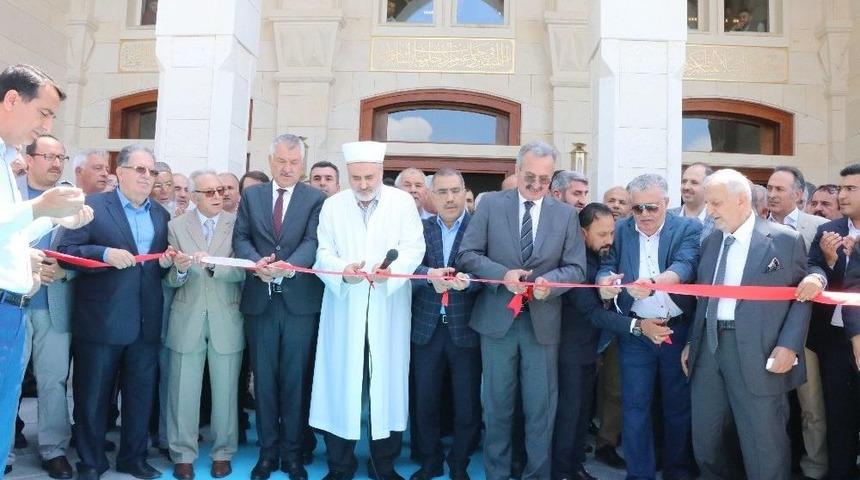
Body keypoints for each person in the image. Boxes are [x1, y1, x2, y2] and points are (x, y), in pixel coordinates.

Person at [457, 141, 586, 480]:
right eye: (530, 176)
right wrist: (503, 275)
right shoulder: (490, 206)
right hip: (497, 323)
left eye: (545, 179)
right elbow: (467, 255)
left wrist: (551, 282)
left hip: (542, 326)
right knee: (497, 409)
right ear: (516, 170)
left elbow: (575, 268)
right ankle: (496, 475)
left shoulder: (566, 215)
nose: (537, 185)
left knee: (541, 411)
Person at [682, 168, 811, 479]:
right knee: (707, 442)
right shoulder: (711, 241)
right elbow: (705, 298)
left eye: (715, 203)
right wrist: (691, 341)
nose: (709, 211)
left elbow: (801, 297)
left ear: (741, 201)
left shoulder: (785, 241)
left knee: (764, 445)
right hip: (708, 350)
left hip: (760, 353)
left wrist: (789, 346)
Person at [311, 140, 425, 480]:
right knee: (341, 383)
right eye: (356, 177)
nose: (362, 185)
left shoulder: (402, 203)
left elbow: (413, 248)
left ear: (381, 172)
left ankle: (383, 465)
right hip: (345, 307)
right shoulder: (333, 205)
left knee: (385, 386)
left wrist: (393, 271)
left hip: (387, 308)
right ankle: (340, 465)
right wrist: (343, 271)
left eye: (369, 178)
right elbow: (322, 254)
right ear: (347, 174)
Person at [57, 143, 171, 480]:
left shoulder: (160, 215)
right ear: (119, 172)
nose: (146, 177)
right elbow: (65, 251)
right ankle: (91, 462)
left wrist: (166, 264)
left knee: (139, 395)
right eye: (139, 169)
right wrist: (103, 253)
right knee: (92, 396)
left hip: (146, 321)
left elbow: (155, 269)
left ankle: (133, 459)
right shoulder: (92, 206)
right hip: (101, 321)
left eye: (151, 172)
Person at [0, 64, 92, 479]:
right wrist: (41, 208)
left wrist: (56, 219)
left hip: (16, 307)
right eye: (44, 112)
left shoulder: (6, 159)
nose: (47, 125)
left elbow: (9, 234)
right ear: (13, 100)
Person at [233, 134, 327, 480]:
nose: (287, 169)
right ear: (271, 162)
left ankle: (292, 455)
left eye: (294, 163)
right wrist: (257, 262)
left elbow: (313, 240)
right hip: (260, 302)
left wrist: (288, 266)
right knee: (265, 382)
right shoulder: (252, 196)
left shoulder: (315, 199)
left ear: (301, 165)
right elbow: (240, 238)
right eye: (281, 162)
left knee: (295, 381)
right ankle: (267, 454)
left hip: (299, 302)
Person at [596, 173, 701, 480]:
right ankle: (638, 474)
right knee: (635, 407)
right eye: (637, 208)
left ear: (667, 204)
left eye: (651, 208)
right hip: (637, 331)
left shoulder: (688, 228)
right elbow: (606, 265)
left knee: (677, 406)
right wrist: (605, 282)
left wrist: (654, 284)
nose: (643, 215)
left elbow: (686, 265)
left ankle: (677, 472)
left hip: (676, 329)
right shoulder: (620, 229)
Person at [164, 170, 246, 480]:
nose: (217, 196)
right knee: (183, 389)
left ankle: (223, 452)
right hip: (187, 317)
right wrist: (181, 270)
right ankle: (182, 453)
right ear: (195, 197)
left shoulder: (236, 225)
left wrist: (216, 265)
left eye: (222, 191)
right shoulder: (175, 226)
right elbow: (169, 279)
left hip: (227, 316)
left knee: (226, 391)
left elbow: (243, 271)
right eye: (209, 192)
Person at [409, 168, 481, 480]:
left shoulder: (480, 228)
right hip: (427, 328)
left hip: (466, 329)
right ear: (431, 196)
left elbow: (492, 272)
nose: (449, 198)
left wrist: (470, 283)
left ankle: (459, 463)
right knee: (425, 401)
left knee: (466, 404)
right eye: (441, 192)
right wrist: (428, 277)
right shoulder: (418, 229)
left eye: (454, 191)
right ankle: (430, 462)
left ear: (465, 191)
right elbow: (407, 269)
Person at [16, 135, 76, 479]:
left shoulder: (71, 201)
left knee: (54, 380)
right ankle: (4, 449)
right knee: (7, 380)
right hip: (12, 303)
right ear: (31, 158)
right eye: (49, 156)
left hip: (54, 304)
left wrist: (65, 270)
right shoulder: (9, 195)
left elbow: (85, 248)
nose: (56, 163)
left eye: (61, 157)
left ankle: (54, 449)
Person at [766, 166, 828, 480]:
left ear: (799, 194)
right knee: (771, 406)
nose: (772, 194)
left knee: (811, 405)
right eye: (770, 188)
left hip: (805, 329)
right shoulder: (756, 226)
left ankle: (814, 468)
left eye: (780, 189)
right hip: (764, 329)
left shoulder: (820, 226)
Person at [551, 202, 619, 480]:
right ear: (582, 232)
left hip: (588, 352)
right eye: (602, 234)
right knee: (569, 415)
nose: (609, 241)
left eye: (612, 233)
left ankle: (575, 466)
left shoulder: (600, 260)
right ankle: (563, 472)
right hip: (568, 353)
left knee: (580, 414)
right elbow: (591, 312)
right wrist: (637, 327)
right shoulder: (575, 264)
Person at [801, 165, 860, 480]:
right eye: (842, 188)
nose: (843, 194)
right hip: (834, 339)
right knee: (838, 413)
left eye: (851, 188)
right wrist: (832, 261)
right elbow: (815, 270)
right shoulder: (829, 230)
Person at [669, 162, 715, 241]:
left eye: (694, 182)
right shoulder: (666, 217)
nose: (686, 187)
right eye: (684, 181)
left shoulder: (718, 221)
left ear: (708, 187)